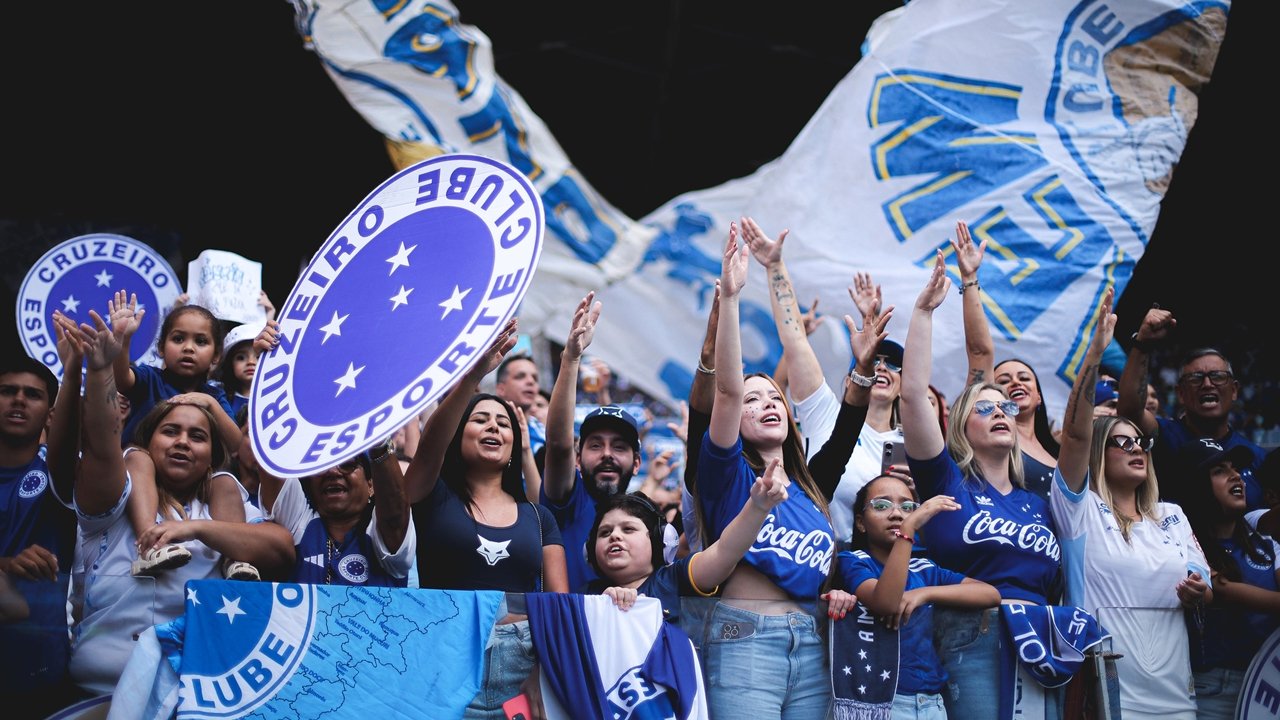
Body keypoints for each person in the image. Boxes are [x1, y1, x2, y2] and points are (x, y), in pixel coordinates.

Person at [66, 308, 294, 699]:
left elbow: (282, 549)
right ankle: (149, 546)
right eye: (170, 431)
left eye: (197, 436)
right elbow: (102, 444)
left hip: (191, 696)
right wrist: (102, 368)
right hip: (97, 692)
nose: (183, 442)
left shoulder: (225, 495)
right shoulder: (116, 496)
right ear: (149, 440)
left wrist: (196, 529)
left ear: (211, 454)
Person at [899, 251, 1062, 719]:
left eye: (1006, 408)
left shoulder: (1038, 502)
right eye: (985, 408)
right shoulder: (944, 478)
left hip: (1045, 641)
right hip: (973, 634)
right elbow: (913, 394)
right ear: (960, 427)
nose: (1000, 414)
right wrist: (925, 312)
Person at [697, 220, 842, 718]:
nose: (766, 403)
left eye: (774, 397)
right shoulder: (725, 474)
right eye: (753, 400)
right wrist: (733, 300)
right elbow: (728, 389)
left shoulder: (810, 492)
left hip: (810, 640)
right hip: (746, 637)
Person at [1052, 287, 1211, 719]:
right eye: (1121, 442)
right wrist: (1095, 355)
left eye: (1140, 441)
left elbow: (1203, 580)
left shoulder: (1172, 516)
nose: (1135, 447)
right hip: (1108, 697)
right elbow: (1078, 435)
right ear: (1099, 454)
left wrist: (1200, 591)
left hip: (1178, 696)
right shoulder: (1079, 511)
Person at [403, 319, 568, 719]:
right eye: (480, 420)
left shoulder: (539, 516)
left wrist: (543, 676)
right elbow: (429, 447)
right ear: (458, 437)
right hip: (444, 663)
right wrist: (475, 375)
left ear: (514, 444)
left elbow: (558, 607)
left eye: (503, 423)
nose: (493, 425)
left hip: (523, 667)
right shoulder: (431, 497)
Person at [739, 217, 897, 550]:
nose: (881, 368)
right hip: (826, 565)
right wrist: (775, 267)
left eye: (894, 364)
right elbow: (795, 342)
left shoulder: (911, 443)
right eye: (872, 362)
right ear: (849, 378)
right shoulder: (826, 414)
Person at [106, 291, 251, 578]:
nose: (188, 348)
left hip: (192, 482)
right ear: (161, 348)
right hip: (144, 477)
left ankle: (234, 559)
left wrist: (208, 402)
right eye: (178, 339)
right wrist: (122, 342)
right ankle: (150, 544)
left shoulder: (214, 395)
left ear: (216, 355)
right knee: (139, 456)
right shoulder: (150, 378)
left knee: (223, 480)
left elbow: (236, 446)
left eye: (201, 341)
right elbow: (123, 379)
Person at [834, 475, 1000, 719]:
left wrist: (924, 593)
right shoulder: (854, 561)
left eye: (907, 507)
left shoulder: (925, 569)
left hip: (932, 702)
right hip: (884, 701)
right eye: (882, 505)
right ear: (860, 522)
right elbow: (886, 601)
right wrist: (908, 530)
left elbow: (991, 594)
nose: (897, 514)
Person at [540, 292, 669, 592]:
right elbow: (558, 444)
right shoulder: (567, 502)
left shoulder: (646, 517)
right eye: (595, 445)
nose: (607, 455)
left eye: (620, 447)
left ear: (637, 463)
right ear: (577, 458)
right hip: (568, 633)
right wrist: (571, 358)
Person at [0, 336, 80, 718]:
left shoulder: (57, 474)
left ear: (51, 412)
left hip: (38, 671)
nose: (18, 400)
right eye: (7, 391)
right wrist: (5, 566)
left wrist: (74, 367)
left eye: (32, 395)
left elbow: (73, 437)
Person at [1118, 306, 1267, 510]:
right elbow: (1129, 412)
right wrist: (1142, 344)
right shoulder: (1163, 436)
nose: (1207, 384)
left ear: (1234, 390)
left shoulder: (1257, 458)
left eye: (1217, 376)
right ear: (1180, 393)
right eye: (1196, 378)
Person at [956, 220, 1060, 500]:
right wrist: (969, 279)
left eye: (1025, 378)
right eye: (1003, 381)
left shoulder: (1061, 449)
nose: (1015, 382)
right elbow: (980, 352)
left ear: (1039, 397)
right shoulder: (993, 440)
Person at [1180, 439, 1280, 719]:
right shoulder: (1184, 543)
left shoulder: (1266, 542)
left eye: (1236, 468)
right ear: (1197, 486)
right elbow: (1220, 590)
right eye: (1220, 470)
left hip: (1271, 685)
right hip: (1214, 690)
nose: (1236, 475)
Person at [245, 426, 415, 587]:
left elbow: (395, 516)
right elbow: (272, 457)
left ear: (371, 485)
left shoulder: (379, 532)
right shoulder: (299, 522)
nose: (333, 472)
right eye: (322, 466)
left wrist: (379, 444)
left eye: (347, 464)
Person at [214, 320, 266, 420]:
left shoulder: (276, 398)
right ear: (230, 364)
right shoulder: (221, 398)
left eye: (258, 357)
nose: (251, 362)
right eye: (241, 357)